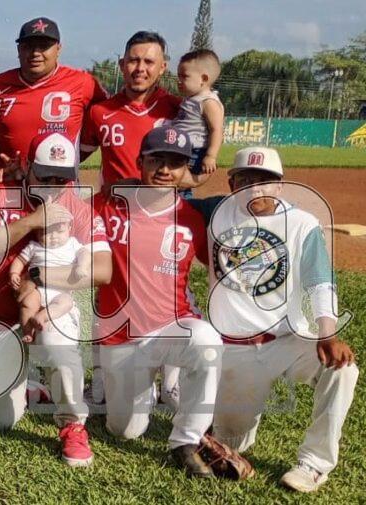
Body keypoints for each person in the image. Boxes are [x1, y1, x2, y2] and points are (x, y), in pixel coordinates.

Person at [201, 147, 357, 493]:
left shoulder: (302, 223)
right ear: (231, 184)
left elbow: (320, 280)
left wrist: (326, 332)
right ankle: (222, 422)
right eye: (246, 180)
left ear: (280, 186)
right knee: (233, 444)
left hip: (288, 339)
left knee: (342, 369)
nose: (255, 188)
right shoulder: (214, 211)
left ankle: (314, 464)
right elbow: (171, 196)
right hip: (236, 350)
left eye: (265, 181)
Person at [0, 132, 110, 467]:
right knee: (0, 420)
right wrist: (31, 222)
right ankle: (30, 387)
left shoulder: (78, 207)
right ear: (28, 167)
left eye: (63, 178)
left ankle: (72, 423)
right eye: (45, 175)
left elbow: (103, 270)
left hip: (50, 307)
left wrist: (37, 278)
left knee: (57, 340)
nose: (54, 184)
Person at [91, 125, 222, 477]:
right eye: (156, 160)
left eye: (175, 163)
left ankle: (186, 440)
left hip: (170, 325)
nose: (165, 170)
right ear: (140, 162)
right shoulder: (107, 203)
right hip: (120, 336)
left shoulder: (194, 218)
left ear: (186, 170)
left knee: (207, 341)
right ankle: (139, 394)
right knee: (126, 431)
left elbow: (224, 270)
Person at [0, 17, 107, 178]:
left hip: (58, 186)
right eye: (28, 46)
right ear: (18, 50)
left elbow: (106, 118)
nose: (35, 53)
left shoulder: (83, 83)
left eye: (44, 46)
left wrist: (79, 154)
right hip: (9, 184)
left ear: (58, 49)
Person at [80, 31, 184, 189]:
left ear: (162, 67)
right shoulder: (99, 112)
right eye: (133, 61)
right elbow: (73, 158)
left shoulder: (178, 110)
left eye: (149, 62)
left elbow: (201, 164)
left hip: (162, 209)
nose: (140, 68)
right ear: (122, 65)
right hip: (114, 210)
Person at [8, 213, 89, 343]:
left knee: (66, 302)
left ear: (70, 228)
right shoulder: (34, 246)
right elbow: (20, 260)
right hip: (37, 289)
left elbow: (85, 253)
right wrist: (14, 273)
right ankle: (28, 331)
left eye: (60, 231)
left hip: (60, 290)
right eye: (46, 232)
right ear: (37, 233)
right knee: (27, 304)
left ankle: (42, 317)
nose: (54, 236)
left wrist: (82, 267)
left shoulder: (72, 244)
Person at [174, 50, 225, 177]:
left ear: (203, 79)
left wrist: (210, 156)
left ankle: (186, 198)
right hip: (181, 148)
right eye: (178, 76)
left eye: (184, 76)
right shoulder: (192, 98)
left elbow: (216, 130)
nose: (179, 81)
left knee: (184, 181)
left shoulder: (208, 102)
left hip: (194, 151)